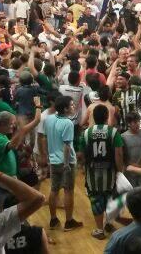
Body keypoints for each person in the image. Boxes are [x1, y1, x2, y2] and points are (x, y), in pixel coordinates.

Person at [79, 104, 125, 239]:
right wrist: (120, 171)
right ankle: (109, 223)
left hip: (92, 173)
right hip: (110, 172)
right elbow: (118, 154)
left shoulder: (86, 133)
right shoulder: (113, 132)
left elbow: (81, 154)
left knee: (96, 200)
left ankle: (99, 230)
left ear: (93, 117)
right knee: (110, 198)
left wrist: (83, 167)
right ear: (106, 117)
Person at [43, 95, 82, 231]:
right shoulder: (68, 123)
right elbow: (66, 145)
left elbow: (46, 138)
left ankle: (53, 220)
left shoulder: (49, 119)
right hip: (66, 162)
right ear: (65, 109)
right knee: (68, 191)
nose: (73, 107)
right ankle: (69, 221)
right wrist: (66, 164)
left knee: (54, 190)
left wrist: (48, 156)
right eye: (71, 105)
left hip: (53, 160)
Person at [121, 112, 141, 187]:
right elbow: (122, 156)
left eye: (138, 121)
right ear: (129, 124)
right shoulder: (123, 137)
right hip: (129, 170)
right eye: (135, 122)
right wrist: (130, 165)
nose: (138, 124)